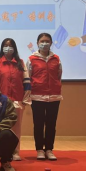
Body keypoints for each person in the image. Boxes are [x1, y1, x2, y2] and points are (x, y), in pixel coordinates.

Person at [26, 33, 63, 161]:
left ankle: (49, 149)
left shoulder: (56, 59)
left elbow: (58, 76)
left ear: (51, 43)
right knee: (38, 124)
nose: (44, 43)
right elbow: (28, 77)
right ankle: (39, 150)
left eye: (47, 41)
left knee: (51, 124)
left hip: (54, 96)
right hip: (37, 96)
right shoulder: (31, 59)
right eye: (42, 41)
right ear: (37, 43)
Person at [0, 38, 31, 161]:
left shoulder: (21, 63)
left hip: (17, 100)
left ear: (14, 48)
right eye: (5, 45)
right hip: (1, 101)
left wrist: (25, 99)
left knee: (16, 127)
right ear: (2, 47)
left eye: (10, 45)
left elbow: (26, 82)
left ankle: (15, 152)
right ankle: (2, 151)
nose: (8, 47)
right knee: (1, 127)